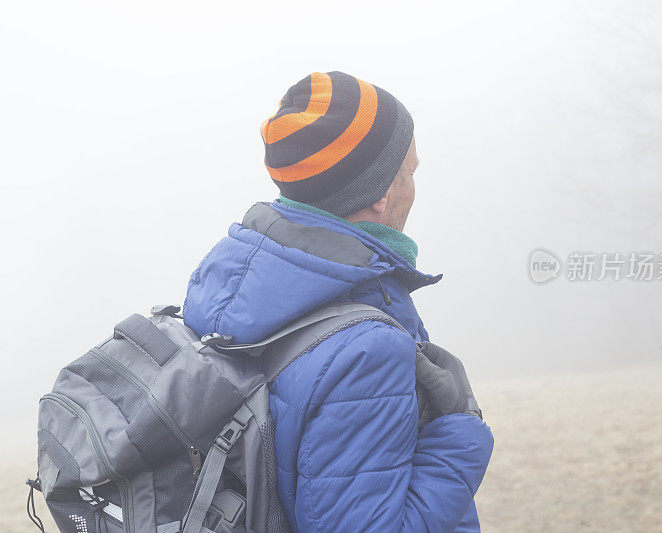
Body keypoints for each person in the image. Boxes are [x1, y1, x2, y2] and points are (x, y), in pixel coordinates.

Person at [183, 71, 494, 532]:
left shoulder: (229, 288)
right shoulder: (366, 351)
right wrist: (458, 431)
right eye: (410, 172)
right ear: (381, 197)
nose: (413, 187)